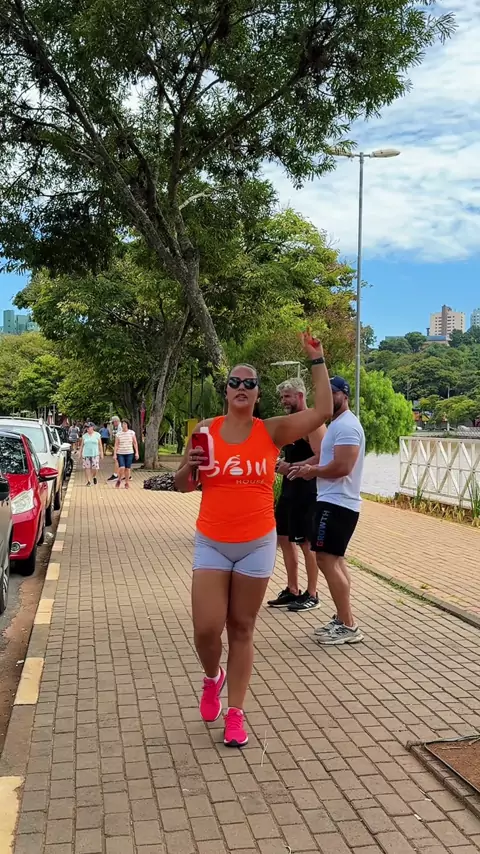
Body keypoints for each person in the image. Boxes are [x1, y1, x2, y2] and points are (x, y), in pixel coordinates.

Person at [174, 335, 332, 748]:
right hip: (212, 541)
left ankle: (235, 713)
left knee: (242, 627)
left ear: (258, 393)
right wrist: (188, 467)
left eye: (250, 383)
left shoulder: (271, 431)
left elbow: (322, 411)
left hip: (256, 544)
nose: (241, 387)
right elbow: (184, 485)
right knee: (206, 629)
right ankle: (213, 677)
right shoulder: (206, 430)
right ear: (225, 391)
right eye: (235, 382)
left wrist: (316, 359)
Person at [288, 376, 365, 645]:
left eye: (331, 393)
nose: (327, 398)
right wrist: (303, 467)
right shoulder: (337, 425)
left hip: (338, 503)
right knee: (336, 561)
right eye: (323, 394)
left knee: (325, 560)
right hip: (333, 501)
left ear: (344, 394)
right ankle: (343, 618)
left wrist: (313, 471)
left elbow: (343, 467)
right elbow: (327, 459)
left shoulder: (347, 426)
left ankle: (349, 625)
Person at [268, 377, 325, 612]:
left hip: (307, 491)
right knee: (283, 537)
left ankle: (312, 593)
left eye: (287, 397)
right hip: (289, 489)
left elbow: (322, 456)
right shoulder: (291, 423)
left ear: (300, 396)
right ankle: (292, 589)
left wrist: (291, 467)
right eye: (282, 397)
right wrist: (282, 463)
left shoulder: (313, 422)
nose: (284, 401)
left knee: (305, 543)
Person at [114, 420, 139, 489]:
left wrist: (137, 452)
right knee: (122, 467)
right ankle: (119, 479)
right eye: (122, 424)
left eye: (125, 424)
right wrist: (115, 454)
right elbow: (116, 444)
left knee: (127, 468)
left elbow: (135, 443)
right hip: (120, 453)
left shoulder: (131, 433)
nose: (124, 425)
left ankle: (126, 482)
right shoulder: (118, 434)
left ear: (127, 425)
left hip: (129, 452)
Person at [107, 416, 122, 482]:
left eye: (113, 423)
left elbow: (119, 438)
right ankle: (126, 475)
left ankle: (116, 475)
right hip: (122, 446)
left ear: (116, 421)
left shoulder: (120, 427)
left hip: (120, 446)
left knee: (117, 460)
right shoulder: (119, 427)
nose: (113, 424)